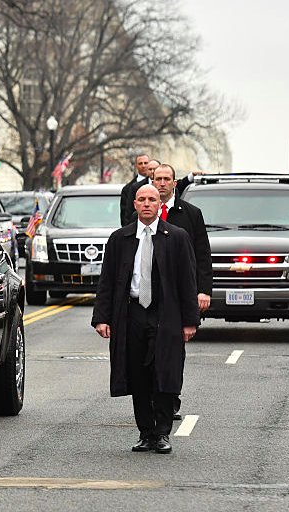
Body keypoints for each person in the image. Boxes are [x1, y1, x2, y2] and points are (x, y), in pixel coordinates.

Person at [92, 184, 200, 455]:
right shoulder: (120, 238)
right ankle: (146, 432)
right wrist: (102, 318)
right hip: (132, 313)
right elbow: (107, 281)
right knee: (137, 374)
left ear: (159, 204)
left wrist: (190, 320)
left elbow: (188, 282)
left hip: (166, 314)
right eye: (142, 199)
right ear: (135, 205)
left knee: (163, 372)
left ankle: (162, 433)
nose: (147, 203)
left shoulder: (176, 237)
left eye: (153, 199)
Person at [149, 163, 213, 420]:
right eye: (158, 179)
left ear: (175, 183)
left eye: (167, 179)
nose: (162, 183)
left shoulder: (190, 214)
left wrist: (203, 290)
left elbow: (202, 255)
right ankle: (154, 398)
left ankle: (171, 397)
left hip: (178, 294)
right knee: (149, 348)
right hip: (149, 293)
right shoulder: (143, 213)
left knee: (174, 350)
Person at [119, 154, 151, 225]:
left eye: (146, 163)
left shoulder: (159, 185)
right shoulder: (128, 189)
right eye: (140, 163)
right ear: (136, 166)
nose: (143, 166)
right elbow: (125, 214)